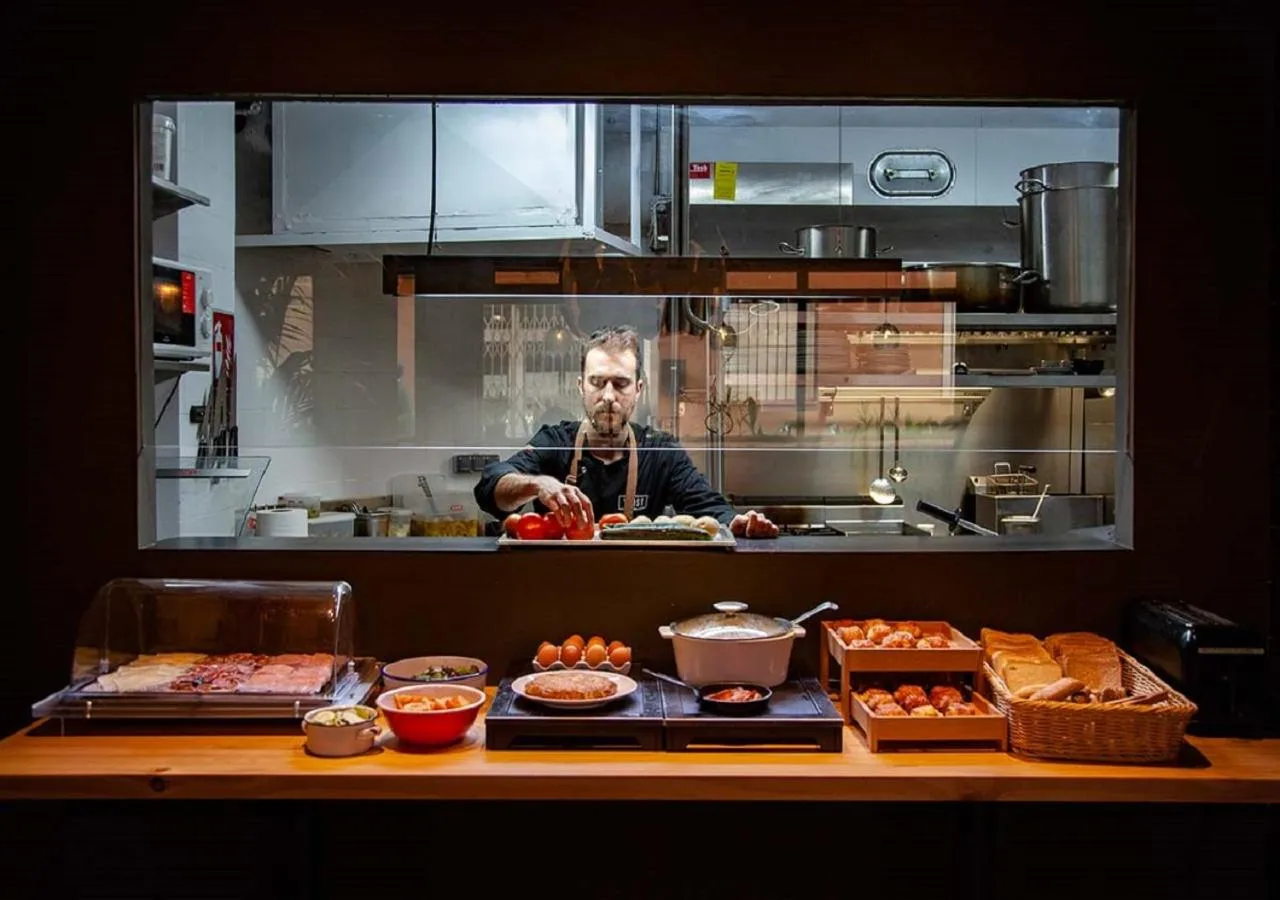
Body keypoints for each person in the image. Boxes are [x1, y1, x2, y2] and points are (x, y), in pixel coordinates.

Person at [473, 326, 779, 538]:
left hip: (636, 585)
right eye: (597, 382)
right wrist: (538, 485)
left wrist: (739, 523)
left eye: (620, 384)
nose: (608, 396)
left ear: (639, 391)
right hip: (561, 582)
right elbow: (490, 488)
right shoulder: (555, 442)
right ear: (581, 387)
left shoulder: (660, 452)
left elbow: (709, 508)